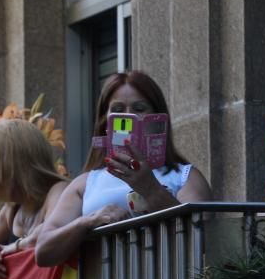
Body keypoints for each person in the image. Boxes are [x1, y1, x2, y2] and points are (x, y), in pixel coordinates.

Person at [35, 70, 212, 267]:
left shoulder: (185, 176)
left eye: (139, 108)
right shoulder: (86, 183)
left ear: (157, 118)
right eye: (118, 109)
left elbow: (204, 242)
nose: (128, 117)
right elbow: (43, 251)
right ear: (105, 122)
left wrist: (151, 189)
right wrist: (88, 221)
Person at [0, 119, 69, 279]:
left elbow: (49, 233)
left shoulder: (58, 191)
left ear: (10, 169)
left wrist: (11, 248)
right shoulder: (12, 208)